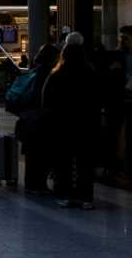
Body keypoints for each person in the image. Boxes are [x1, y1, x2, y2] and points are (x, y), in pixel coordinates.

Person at [42, 36, 101, 209]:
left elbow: (46, 100)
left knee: (63, 161)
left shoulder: (57, 75)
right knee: (85, 162)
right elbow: (98, 99)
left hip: (62, 124)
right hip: (85, 124)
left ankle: (65, 194)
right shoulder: (91, 74)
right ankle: (85, 197)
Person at [13, 43, 59, 193]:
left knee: (31, 154)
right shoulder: (49, 75)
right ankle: (39, 185)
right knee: (42, 153)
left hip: (27, 118)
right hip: (41, 120)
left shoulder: (32, 72)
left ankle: (30, 183)